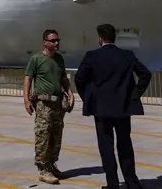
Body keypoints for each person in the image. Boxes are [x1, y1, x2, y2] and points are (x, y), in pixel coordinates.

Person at [74, 24, 152, 189]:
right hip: (123, 107)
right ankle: (132, 183)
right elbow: (146, 74)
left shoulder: (91, 56)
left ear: (100, 39)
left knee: (106, 147)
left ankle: (112, 184)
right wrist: (135, 94)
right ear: (114, 38)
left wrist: (89, 97)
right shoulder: (127, 55)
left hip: (101, 109)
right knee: (125, 145)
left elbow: (79, 79)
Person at [23, 29, 74, 184]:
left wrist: (71, 94)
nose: (56, 43)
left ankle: (51, 164)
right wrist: (26, 99)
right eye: (53, 40)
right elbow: (28, 79)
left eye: (58, 40)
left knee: (56, 136)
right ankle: (42, 168)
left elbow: (63, 78)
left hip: (58, 104)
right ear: (45, 42)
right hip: (43, 104)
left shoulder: (59, 59)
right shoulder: (36, 59)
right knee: (43, 136)